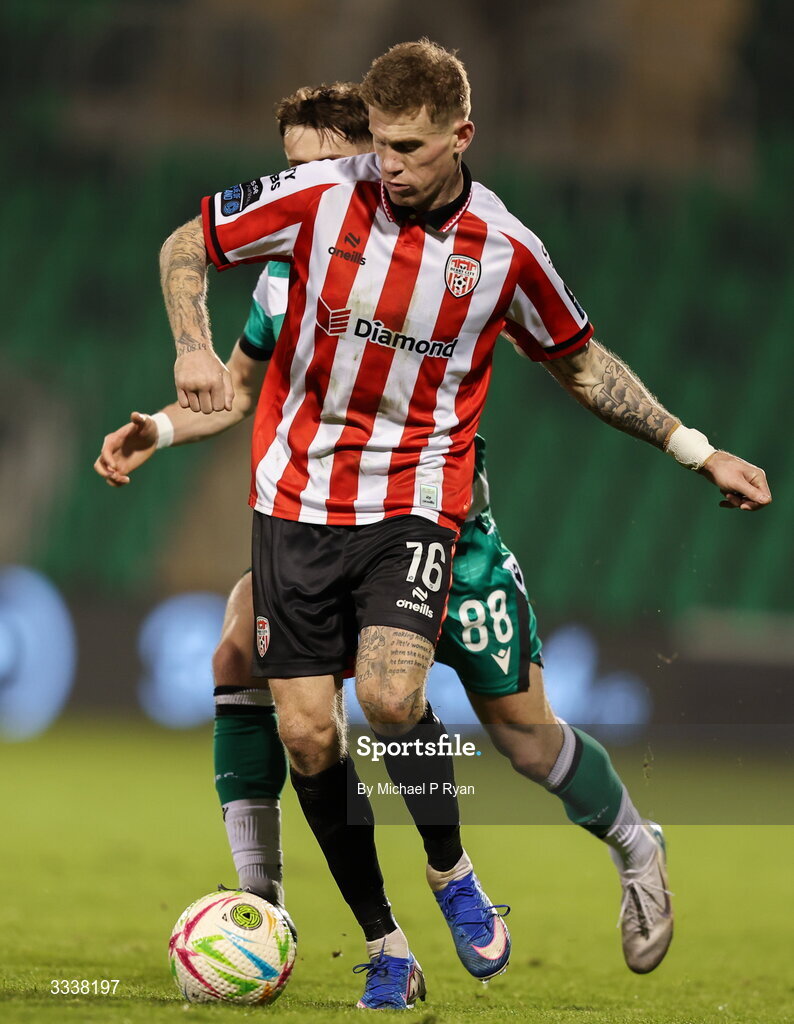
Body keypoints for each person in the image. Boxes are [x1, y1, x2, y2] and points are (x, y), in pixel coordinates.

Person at [142, 41, 772, 1009]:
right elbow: (186, 245)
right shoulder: (317, 199)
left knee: (407, 706)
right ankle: (387, 944)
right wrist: (187, 351)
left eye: (406, 146)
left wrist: (694, 447)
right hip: (296, 505)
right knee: (309, 736)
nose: (384, 164)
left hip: (421, 507)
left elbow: (583, 364)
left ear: (459, 136)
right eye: (378, 144)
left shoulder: (503, 249)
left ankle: (468, 868)